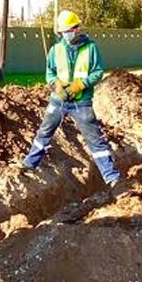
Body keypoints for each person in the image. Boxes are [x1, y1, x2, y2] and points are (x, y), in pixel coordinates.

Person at [21, 10, 121, 188]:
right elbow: (50, 72)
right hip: (58, 101)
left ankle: (112, 177)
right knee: (44, 132)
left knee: (95, 139)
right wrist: (56, 85)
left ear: (77, 28)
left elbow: (98, 72)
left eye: (69, 30)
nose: (66, 34)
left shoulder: (91, 48)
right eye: (63, 31)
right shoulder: (56, 49)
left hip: (81, 103)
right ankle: (29, 164)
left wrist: (80, 84)